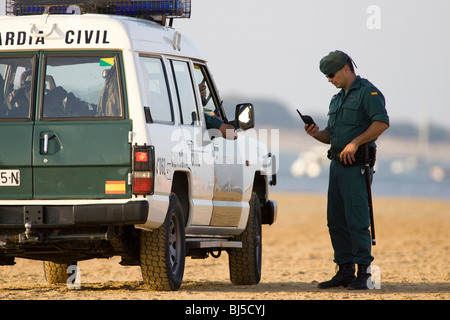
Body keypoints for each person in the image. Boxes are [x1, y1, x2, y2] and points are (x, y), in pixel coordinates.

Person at [305, 50, 389, 290]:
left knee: (357, 219)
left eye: (331, 74)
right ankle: (345, 271)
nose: (329, 80)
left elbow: (381, 122)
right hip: (337, 167)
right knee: (336, 220)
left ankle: (364, 272)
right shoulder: (337, 99)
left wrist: (355, 143)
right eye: (326, 77)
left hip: (357, 168)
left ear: (345, 68)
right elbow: (330, 135)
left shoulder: (367, 92)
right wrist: (316, 134)